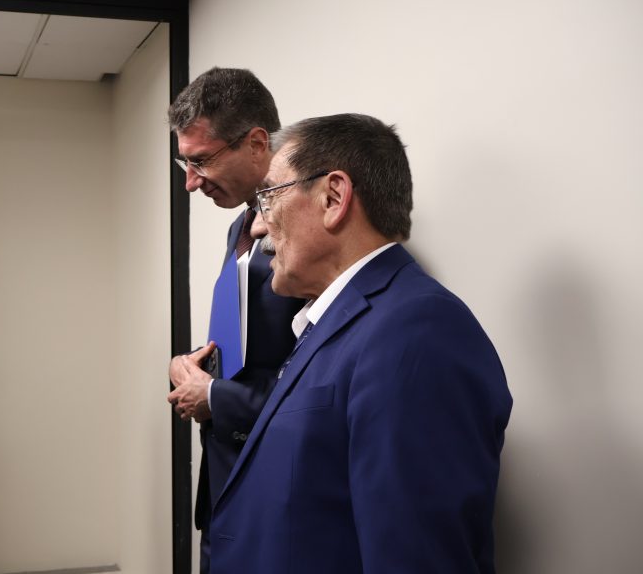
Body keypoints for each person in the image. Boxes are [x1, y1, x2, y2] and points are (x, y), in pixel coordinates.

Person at [204, 113, 513, 573]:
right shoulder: (338, 322)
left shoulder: (418, 331)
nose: (258, 227)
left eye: (269, 197)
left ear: (333, 198)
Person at [165, 67, 305, 574]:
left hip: (278, 486)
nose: (189, 182)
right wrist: (195, 369)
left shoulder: (306, 235)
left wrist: (216, 396)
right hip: (225, 472)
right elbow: (251, 348)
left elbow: (316, 378)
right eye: (185, 162)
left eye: (201, 161)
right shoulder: (239, 228)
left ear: (256, 143)